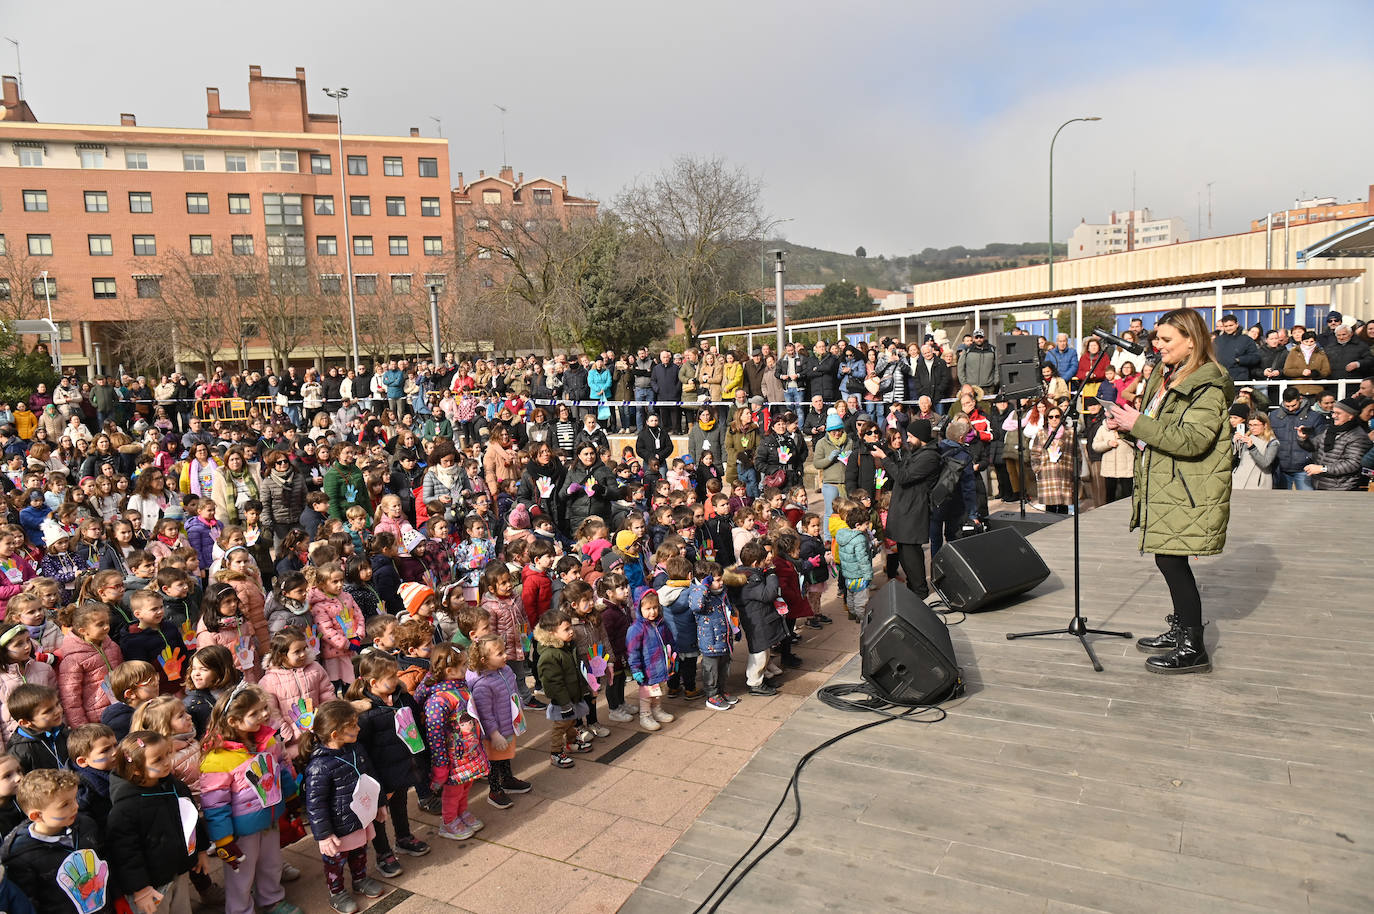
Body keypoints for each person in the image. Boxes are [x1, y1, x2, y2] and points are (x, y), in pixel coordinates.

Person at [1105, 307, 1233, 675]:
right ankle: (1182, 631)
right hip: (1167, 481)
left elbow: (1193, 440)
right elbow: (1159, 429)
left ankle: (1194, 647)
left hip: (1187, 486)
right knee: (1168, 558)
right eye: (1156, 339)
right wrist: (1129, 426)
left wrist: (1138, 422)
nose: (1157, 345)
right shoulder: (1169, 375)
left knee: (1172, 560)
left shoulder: (1206, 384)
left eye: (1166, 340)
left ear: (1191, 342)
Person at [301, 700, 390, 912]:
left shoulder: (356, 748)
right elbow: (316, 805)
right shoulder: (319, 767)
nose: (359, 728)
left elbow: (370, 776)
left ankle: (360, 879)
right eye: (353, 726)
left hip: (358, 817)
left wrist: (379, 803)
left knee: (360, 851)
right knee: (335, 862)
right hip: (337, 828)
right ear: (335, 734)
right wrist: (323, 835)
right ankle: (337, 892)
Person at [877, 418, 941, 601]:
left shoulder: (929, 456)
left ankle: (920, 594)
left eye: (911, 436)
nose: (908, 440)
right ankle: (914, 590)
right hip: (906, 509)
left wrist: (884, 458)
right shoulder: (918, 452)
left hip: (913, 512)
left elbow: (903, 477)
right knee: (905, 553)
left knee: (912, 556)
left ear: (921, 437)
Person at [1296, 397, 1372, 490]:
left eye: (1338, 413)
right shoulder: (1331, 429)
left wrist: (1322, 468)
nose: (1333, 416)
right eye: (1333, 412)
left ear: (1350, 416)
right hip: (1320, 484)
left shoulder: (1358, 436)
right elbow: (1314, 446)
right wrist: (1303, 439)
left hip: (1341, 488)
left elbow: (1352, 464)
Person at [1232, 413, 1279, 490]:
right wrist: (1234, 443)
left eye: (1256, 425)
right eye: (1250, 425)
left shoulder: (1273, 442)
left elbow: (1265, 463)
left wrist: (1252, 447)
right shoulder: (1245, 438)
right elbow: (1232, 458)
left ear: (1265, 425)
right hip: (1239, 480)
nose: (1252, 428)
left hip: (1258, 482)